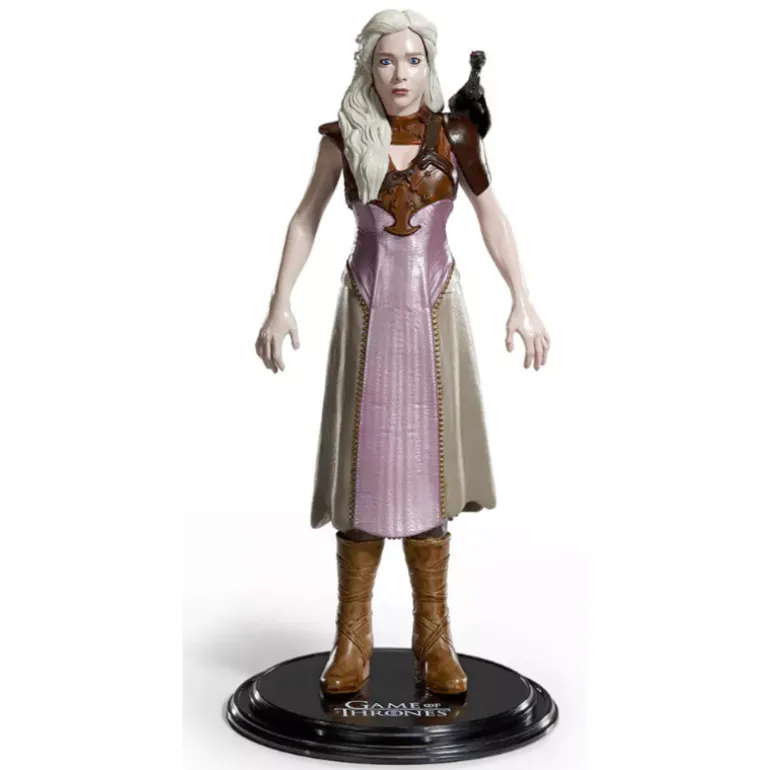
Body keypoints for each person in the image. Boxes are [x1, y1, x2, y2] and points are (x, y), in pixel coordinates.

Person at [255, 9, 550, 697]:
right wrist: (279, 301)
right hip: (366, 311)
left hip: (433, 311)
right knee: (362, 469)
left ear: (429, 65)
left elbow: (491, 215)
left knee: (431, 469)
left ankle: (433, 636)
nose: (400, 74)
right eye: (386, 60)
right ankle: (352, 637)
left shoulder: (455, 135)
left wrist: (523, 298)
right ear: (368, 65)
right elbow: (305, 218)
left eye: (413, 60)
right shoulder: (342, 139)